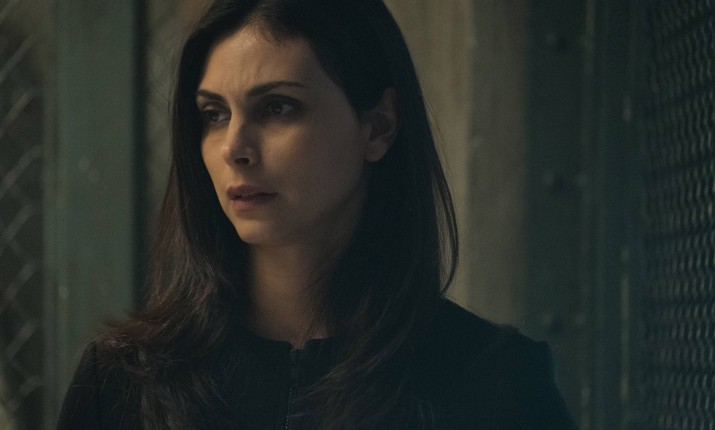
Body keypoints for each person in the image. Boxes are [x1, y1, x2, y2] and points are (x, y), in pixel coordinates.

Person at [57, 0, 577, 428]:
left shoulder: (494, 382)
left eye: (278, 107)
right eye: (214, 114)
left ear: (378, 127)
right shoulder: (123, 382)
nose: (234, 148)